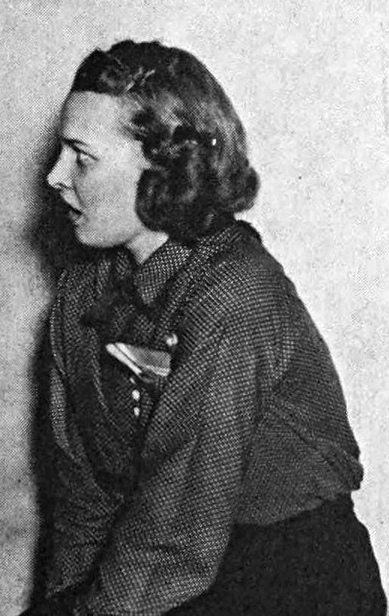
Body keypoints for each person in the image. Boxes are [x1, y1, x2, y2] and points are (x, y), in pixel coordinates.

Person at [25, 40, 386, 615]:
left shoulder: (235, 294)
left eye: (81, 157)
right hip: (158, 559)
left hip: (289, 578)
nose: (54, 176)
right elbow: (84, 499)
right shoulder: (82, 294)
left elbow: (176, 535)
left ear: (164, 171)